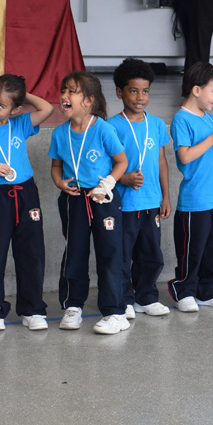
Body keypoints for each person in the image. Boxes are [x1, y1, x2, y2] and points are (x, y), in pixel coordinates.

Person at [0, 74, 54, 331]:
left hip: (27, 194)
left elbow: (47, 109)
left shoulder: (21, 123)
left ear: (15, 109)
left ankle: (32, 309)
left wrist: (20, 93)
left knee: (32, 253)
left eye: (1, 105)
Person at [50, 72, 130, 335]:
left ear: (88, 100)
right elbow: (56, 166)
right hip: (74, 199)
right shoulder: (60, 133)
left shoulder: (103, 129)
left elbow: (122, 162)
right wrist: (60, 182)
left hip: (102, 199)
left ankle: (116, 312)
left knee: (110, 253)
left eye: (71, 91)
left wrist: (107, 184)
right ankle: (73, 306)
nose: (64, 96)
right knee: (74, 252)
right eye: (63, 90)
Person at [167, 61, 213, 311]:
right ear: (197, 90)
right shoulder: (181, 119)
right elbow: (185, 157)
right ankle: (185, 290)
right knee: (192, 250)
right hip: (195, 200)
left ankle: (209, 290)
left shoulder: (210, 119)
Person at [111, 59, 172, 318]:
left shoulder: (156, 124)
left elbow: (161, 161)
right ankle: (124, 299)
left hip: (151, 202)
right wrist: (122, 178)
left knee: (151, 254)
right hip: (124, 204)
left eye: (145, 91)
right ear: (120, 92)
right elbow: (105, 166)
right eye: (133, 91)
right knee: (123, 254)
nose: (140, 97)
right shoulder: (111, 126)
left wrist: (165, 196)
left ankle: (146, 297)